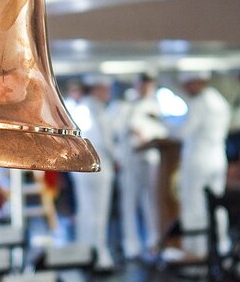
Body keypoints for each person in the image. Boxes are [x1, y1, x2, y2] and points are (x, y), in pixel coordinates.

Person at [175, 72, 232, 259]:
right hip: (217, 158)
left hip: (198, 160)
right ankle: (221, 245)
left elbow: (184, 132)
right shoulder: (220, 101)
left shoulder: (200, 103)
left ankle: (197, 251)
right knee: (217, 203)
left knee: (194, 204)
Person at [118, 74, 168, 260]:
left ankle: (153, 240)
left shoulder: (156, 106)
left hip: (151, 159)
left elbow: (162, 131)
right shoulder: (127, 106)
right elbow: (122, 129)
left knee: (151, 201)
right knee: (129, 202)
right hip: (131, 159)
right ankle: (131, 245)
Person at [70, 78, 117, 271]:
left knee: (86, 212)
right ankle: (99, 256)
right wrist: (118, 157)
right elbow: (106, 142)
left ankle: (84, 253)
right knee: (98, 214)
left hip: (83, 168)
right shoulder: (96, 110)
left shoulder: (82, 107)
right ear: (96, 89)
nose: (109, 92)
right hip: (99, 168)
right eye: (106, 88)